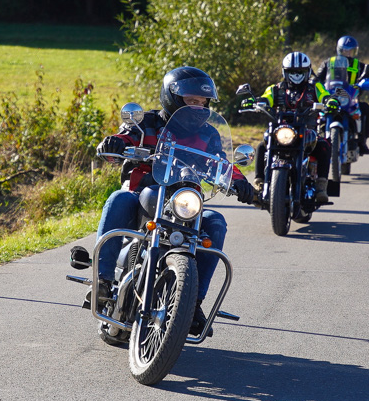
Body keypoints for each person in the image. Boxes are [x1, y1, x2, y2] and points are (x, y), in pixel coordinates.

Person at [93, 66, 255, 336]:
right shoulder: (147, 122)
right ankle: (103, 278)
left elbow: (222, 163)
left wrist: (239, 180)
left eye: (202, 102)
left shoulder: (209, 135)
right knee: (118, 198)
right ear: (172, 98)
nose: (197, 106)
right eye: (191, 101)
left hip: (184, 202)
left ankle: (193, 302)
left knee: (216, 222)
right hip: (145, 193)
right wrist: (114, 143)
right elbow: (125, 136)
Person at [242, 51, 332, 203]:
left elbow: (325, 95)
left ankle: (321, 186)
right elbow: (266, 97)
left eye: (300, 72)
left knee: (324, 146)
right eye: (292, 72)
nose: (296, 75)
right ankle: (259, 185)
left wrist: (330, 101)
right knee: (261, 146)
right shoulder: (276, 88)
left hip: (307, 130)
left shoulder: (314, 87)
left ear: (308, 71)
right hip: (281, 131)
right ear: (285, 72)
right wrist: (255, 102)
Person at [311, 35, 369, 154]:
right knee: (314, 109)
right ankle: (311, 140)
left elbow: (366, 78)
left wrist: (364, 84)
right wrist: (314, 81)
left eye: (351, 50)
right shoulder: (328, 62)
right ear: (340, 50)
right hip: (331, 96)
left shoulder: (359, 65)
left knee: (365, 109)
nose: (349, 53)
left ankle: (362, 141)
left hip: (350, 98)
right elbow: (319, 78)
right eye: (346, 50)